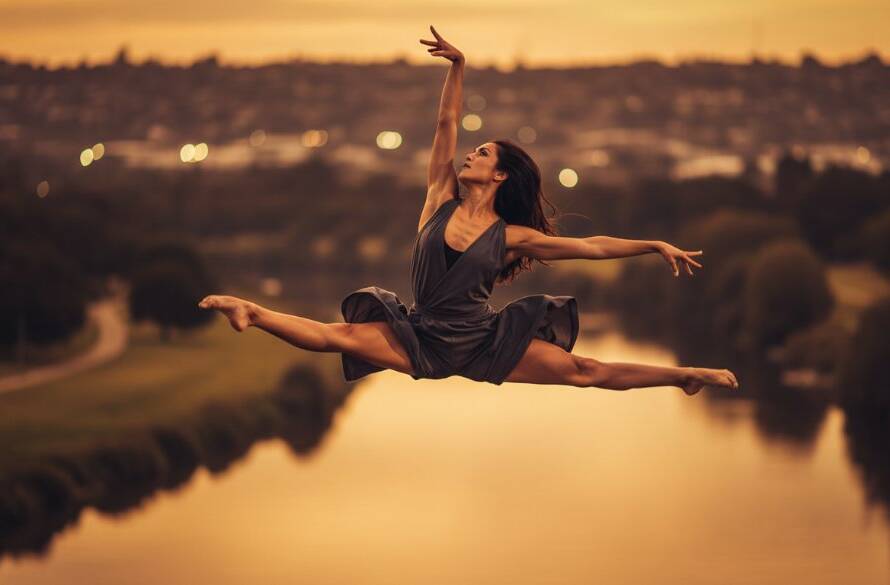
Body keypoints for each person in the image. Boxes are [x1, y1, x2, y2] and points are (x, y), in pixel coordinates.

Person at [198, 25, 739, 396]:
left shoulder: (511, 236)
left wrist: (655, 245)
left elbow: (592, 247)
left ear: (499, 175)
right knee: (332, 335)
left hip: (483, 342)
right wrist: (459, 67)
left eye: (483, 154)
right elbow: (445, 126)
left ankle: (686, 375)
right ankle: (249, 309)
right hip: (420, 336)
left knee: (584, 371)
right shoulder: (438, 197)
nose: (470, 154)